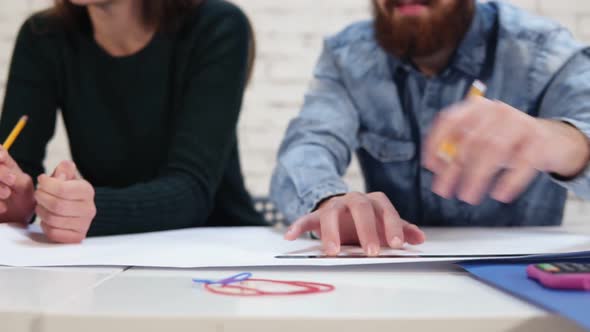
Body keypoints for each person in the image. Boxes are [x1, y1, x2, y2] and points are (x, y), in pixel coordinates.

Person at [271, 0, 590, 256]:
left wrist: (563, 142)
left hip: (521, 286)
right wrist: (328, 201)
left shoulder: (543, 51)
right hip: (395, 281)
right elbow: (309, 143)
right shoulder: (346, 55)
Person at [0, 0, 266, 243]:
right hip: (108, 255)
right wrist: (17, 200)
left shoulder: (217, 25)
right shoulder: (43, 35)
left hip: (222, 250)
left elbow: (193, 191)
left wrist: (90, 209)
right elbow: (17, 169)